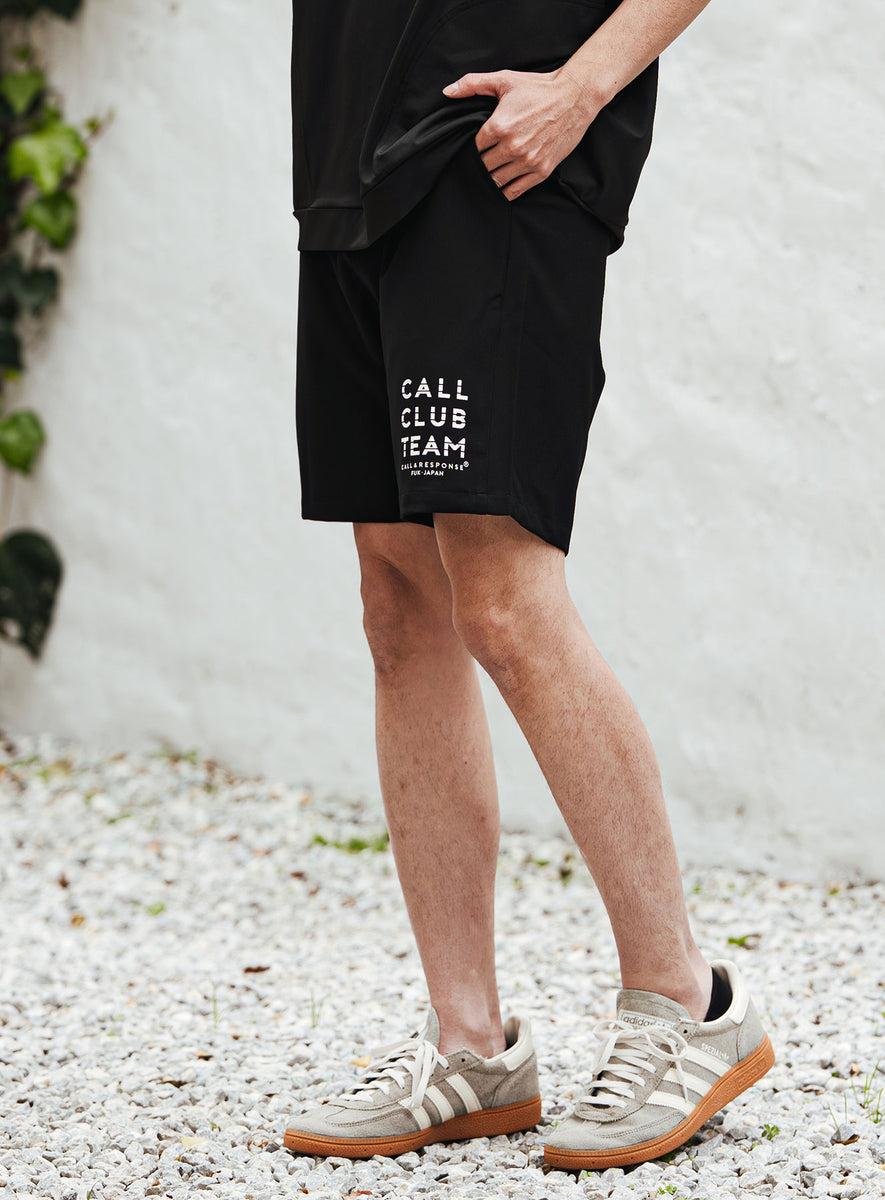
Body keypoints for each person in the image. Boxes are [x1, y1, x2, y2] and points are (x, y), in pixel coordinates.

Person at [282, 0, 773, 1171]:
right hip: (348, 165)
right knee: (397, 595)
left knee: (502, 591)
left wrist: (582, 85)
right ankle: (471, 1047)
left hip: (495, 168)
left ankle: (687, 1001)